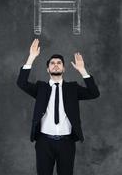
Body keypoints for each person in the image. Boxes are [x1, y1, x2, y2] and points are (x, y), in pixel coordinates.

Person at [17, 38, 100, 175]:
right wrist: (31, 57)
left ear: (64, 68)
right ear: (48, 69)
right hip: (44, 142)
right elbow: (21, 83)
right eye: (52, 63)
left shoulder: (72, 88)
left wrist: (82, 70)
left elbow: (94, 93)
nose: (56, 65)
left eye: (59, 63)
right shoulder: (41, 88)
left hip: (66, 143)